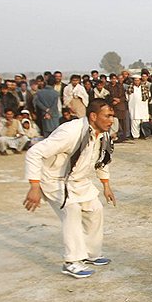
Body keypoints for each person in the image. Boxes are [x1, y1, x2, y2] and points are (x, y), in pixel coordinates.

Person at [23, 98, 116, 278]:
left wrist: (106, 185)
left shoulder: (102, 134)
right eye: (107, 116)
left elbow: (102, 161)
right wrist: (34, 186)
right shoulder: (71, 132)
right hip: (55, 180)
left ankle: (90, 253)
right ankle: (71, 261)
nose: (111, 120)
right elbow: (35, 152)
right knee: (72, 211)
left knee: (95, 209)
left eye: (112, 116)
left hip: (79, 181)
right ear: (94, 116)